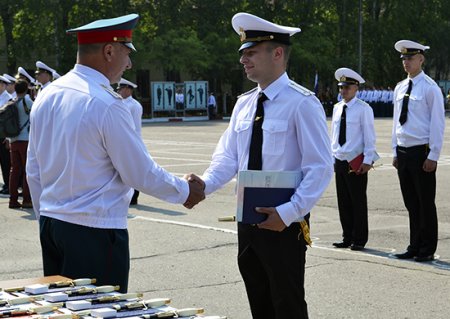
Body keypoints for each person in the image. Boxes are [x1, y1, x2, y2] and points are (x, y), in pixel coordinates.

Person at [26, 13, 205, 293]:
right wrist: (184, 191)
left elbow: (33, 169)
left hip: (52, 224)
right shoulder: (107, 104)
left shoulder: (48, 95)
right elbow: (138, 171)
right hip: (94, 231)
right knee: (102, 309)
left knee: (62, 310)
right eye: (127, 53)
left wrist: (47, 214)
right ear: (109, 51)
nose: (129, 63)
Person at [188, 12, 333, 318]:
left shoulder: (302, 103)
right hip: (248, 222)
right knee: (259, 301)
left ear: (277, 53)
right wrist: (204, 185)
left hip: (284, 223)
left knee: (288, 303)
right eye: (243, 54)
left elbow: (319, 167)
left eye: (250, 52)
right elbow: (227, 158)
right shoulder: (244, 103)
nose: (243, 60)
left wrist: (290, 213)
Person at [391, 40, 445, 262]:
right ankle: (414, 245)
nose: (406, 62)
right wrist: (395, 150)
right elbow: (396, 121)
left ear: (421, 59)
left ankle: (427, 248)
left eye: (410, 58)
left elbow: (437, 124)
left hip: (421, 152)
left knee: (425, 203)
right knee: (411, 203)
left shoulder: (430, 88)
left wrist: (433, 155)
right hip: (403, 152)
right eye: (404, 59)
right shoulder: (400, 87)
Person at [331, 68, 376, 251]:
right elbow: (334, 136)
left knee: (357, 201)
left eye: (347, 87)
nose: (343, 91)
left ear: (356, 88)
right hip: (339, 159)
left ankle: (359, 239)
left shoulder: (363, 109)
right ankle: (346, 236)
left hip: (355, 161)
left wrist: (368, 160)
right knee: (343, 202)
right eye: (341, 87)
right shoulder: (337, 108)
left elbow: (369, 137)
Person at [117, 77, 142, 205]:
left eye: (121, 88)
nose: (119, 91)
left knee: (133, 170)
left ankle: (134, 197)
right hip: (123, 141)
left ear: (128, 89)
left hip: (132, 141)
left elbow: (133, 127)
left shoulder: (134, 105)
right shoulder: (120, 103)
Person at [8, 80, 32, 209]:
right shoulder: (28, 103)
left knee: (14, 170)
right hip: (26, 140)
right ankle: (27, 200)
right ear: (26, 89)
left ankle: (13, 200)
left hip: (13, 140)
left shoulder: (10, 103)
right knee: (27, 170)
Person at [0, 76, 12, 195]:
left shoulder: (7, 99)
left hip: (3, 135)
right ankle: (5, 184)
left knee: (5, 162)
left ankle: (8, 185)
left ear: (4, 85)